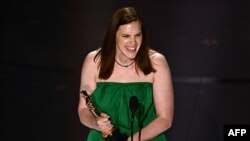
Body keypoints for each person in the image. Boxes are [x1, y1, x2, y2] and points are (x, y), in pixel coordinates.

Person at [78, 7, 174, 141]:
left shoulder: (157, 62)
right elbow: (83, 110)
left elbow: (165, 119)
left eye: (138, 35)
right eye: (126, 36)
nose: (133, 43)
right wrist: (98, 124)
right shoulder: (93, 61)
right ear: (113, 36)